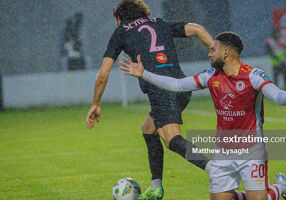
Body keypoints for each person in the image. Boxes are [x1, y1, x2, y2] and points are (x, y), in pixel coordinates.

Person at [120, 32, 286, 200]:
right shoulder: (211, 76)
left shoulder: (252, 75)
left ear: (226, 53)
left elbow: (275, 93)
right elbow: (177, 84)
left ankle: (280, 186)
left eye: (213, 49)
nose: (209, 53)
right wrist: (144, 74)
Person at [85, 0, 213, 199]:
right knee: (148, 128)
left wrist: (95, 103)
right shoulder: (159, 23)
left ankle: (216, 170)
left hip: (162, 91)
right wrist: (216, 54)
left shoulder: (121, 31)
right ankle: (156, 187)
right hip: (181, 85)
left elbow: (103, 74)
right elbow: (198, 29)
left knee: (172, 140)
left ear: (119, 18)